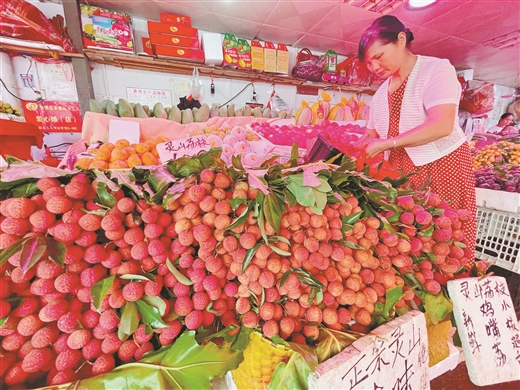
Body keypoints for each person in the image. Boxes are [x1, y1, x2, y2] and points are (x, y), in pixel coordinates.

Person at [355, 15, 476, 261]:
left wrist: (388, 143)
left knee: (447, 245)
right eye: (369, 63)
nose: (375, 67)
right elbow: (370, 136)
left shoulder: (436, 70)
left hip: (443, 169)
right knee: (411, 249)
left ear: (401, 40)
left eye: (379, 57)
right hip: (402, 177)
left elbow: (442, 124)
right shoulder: (379, 95)